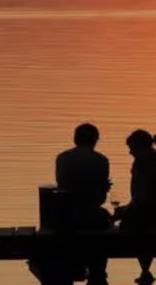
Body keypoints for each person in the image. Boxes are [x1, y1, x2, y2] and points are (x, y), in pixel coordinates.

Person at [113, 130, 156, 285]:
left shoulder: (142, 162)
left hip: (145, 217)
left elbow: (141, 199)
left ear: (139, 147)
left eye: (132, 148)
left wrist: (123, 212)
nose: (130, 152)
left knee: (110, 228)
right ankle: (145, 271)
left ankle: (143, 272)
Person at [55, 122, 111, 285]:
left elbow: (62, 189)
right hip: (92, 217)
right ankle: (97, 271)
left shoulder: (62, 158)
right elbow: (100, 199)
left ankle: (75, 265)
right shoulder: (102, 161)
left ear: (75, 139)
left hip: (67, 218)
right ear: (96, 140)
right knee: (104, 218)